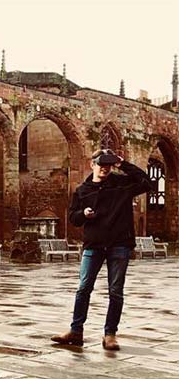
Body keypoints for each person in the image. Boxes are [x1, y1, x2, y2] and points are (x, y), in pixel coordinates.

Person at [51, 149, 151, 351]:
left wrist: (122, 164)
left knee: (115, 291)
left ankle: (110, 334)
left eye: (109, 164)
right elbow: (73, 218)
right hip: (93, 245)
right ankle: (76, 331)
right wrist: (83, 214)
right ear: (92, 164)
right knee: (83, 288)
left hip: (119, 244)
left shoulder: (121, 184)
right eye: (101, 164)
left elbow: (146, 181)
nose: (105, 168)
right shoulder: (82, 190)